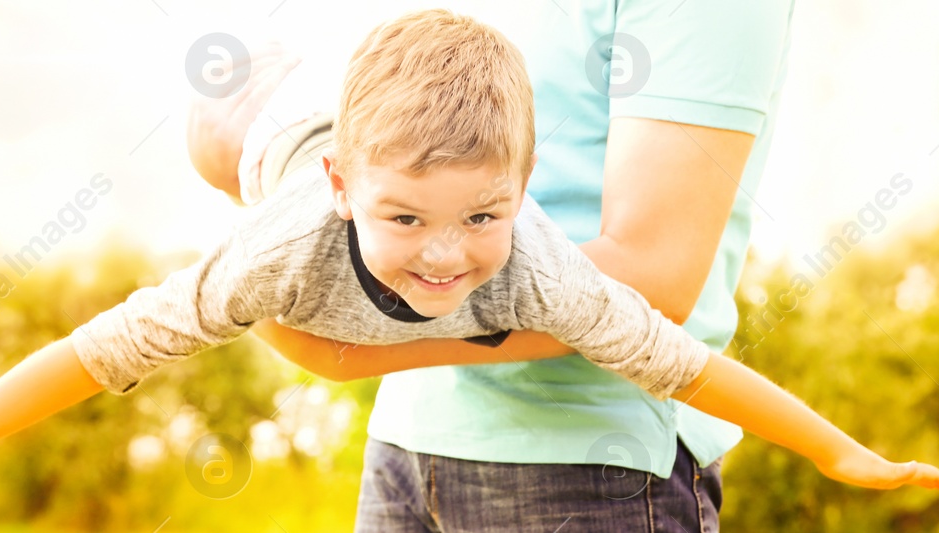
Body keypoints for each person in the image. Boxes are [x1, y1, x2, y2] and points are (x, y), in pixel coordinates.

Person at [0, 9, 939, 527]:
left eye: (482, 218)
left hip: (575, 471)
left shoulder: (529, 268)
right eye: (410, 221)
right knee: (223, 110)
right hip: (300, 139)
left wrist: (839, 447)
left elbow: (683, 359)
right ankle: (275, 106)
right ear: (348, 192)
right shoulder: (281, 239)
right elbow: (108, 345)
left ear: (516, 190)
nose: (447, 260)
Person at [245, 1, 805, 530]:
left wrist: (357, 345)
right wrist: (252, 150)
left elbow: (652, 271)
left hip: (592, 464)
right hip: (406, 443)